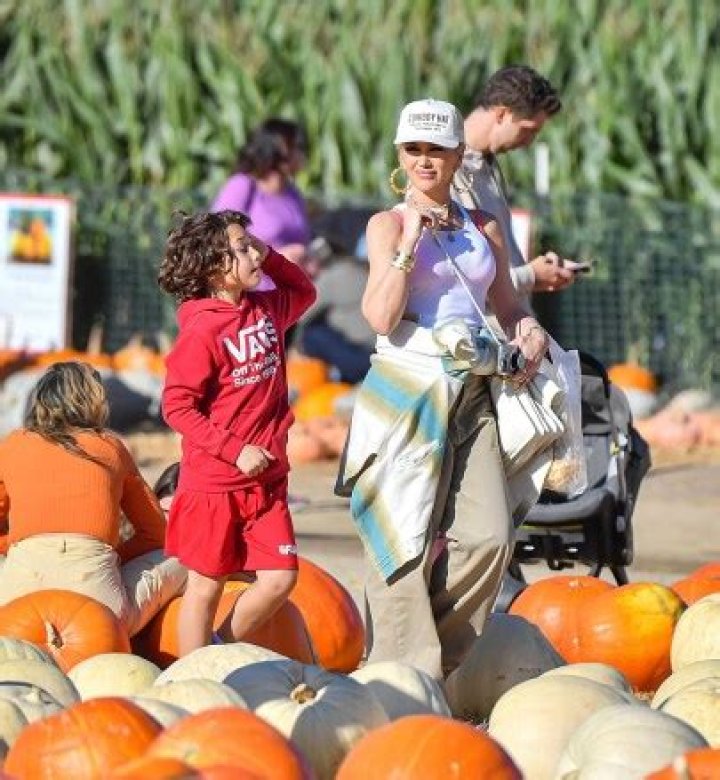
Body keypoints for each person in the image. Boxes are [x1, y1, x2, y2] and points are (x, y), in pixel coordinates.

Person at [336, 98, 550, 681]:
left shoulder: (483, 229)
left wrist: (528, 330)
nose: (425, 161)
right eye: (414, 150)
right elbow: (381, 317)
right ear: (400, 156)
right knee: (401, 530)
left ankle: (444, 660)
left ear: (459, 155)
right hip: (407, 390)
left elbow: (507, 305)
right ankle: (402, 678)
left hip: (475, 389)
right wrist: (409, 241)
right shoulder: (386, 224)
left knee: (488, 536)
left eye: (437, 150)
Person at [157, 209, 316, 656]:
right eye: (242, 248)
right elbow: (176, 406)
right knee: (205, 589)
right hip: (215, 484)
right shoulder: (202, 331)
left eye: (252, 244)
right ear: (214, 267)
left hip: (265, 482)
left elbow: (304, 290)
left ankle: (221, 648)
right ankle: (193, 680)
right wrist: (234, 450)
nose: (254, 252)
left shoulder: (265, 309)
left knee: (281, 578)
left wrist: (270, 257)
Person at [0, 361, 187, 635]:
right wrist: (113, 558)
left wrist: (14, 545)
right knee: (184, 558)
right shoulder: (111, 447)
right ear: (95, 401)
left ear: (39, 400)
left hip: (15, 603)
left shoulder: (12, 445)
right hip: (98, 612)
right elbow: (157, 533)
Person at [455, 65, 579, 306]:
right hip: (476, 338)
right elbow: (456, 287)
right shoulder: (447, 172)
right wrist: (530, 275)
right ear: (502, 114)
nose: (529, 142)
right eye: (527, 131)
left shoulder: (487, 165)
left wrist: (538, 275)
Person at [211, 118, 312, 270]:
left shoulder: (293, 193)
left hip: (289, 289)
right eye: (296, 146)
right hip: (254, 289)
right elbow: (216, 241)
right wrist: (276, 258)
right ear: (279, 149)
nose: (301, 153)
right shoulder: (243, 185)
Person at [297, 238, 375, 384]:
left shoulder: (330, 277)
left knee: (312, 335)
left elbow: (300, 315)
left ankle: (336, 377)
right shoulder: (356, 268)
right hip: (379, 347)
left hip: (362, 355)